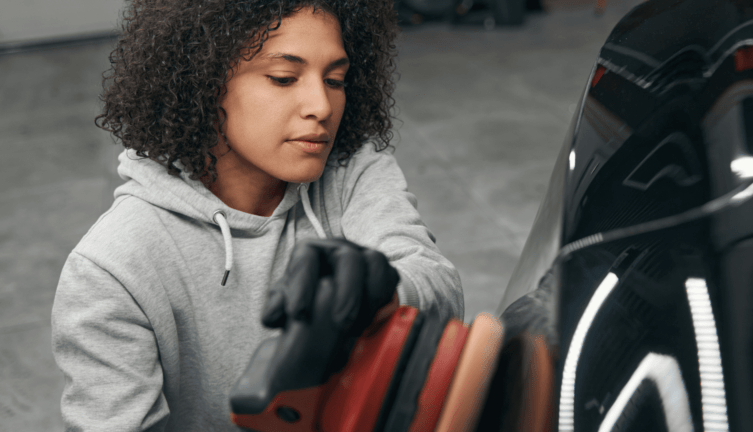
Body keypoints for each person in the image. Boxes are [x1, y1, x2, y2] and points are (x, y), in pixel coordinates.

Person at [50, 0, 464, 430]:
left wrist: (385, 294)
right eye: (284, 78)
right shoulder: (110, 270)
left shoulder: (350, 174)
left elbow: (441, 290)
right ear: (202, 82)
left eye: (335, 80)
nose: (321, 106)